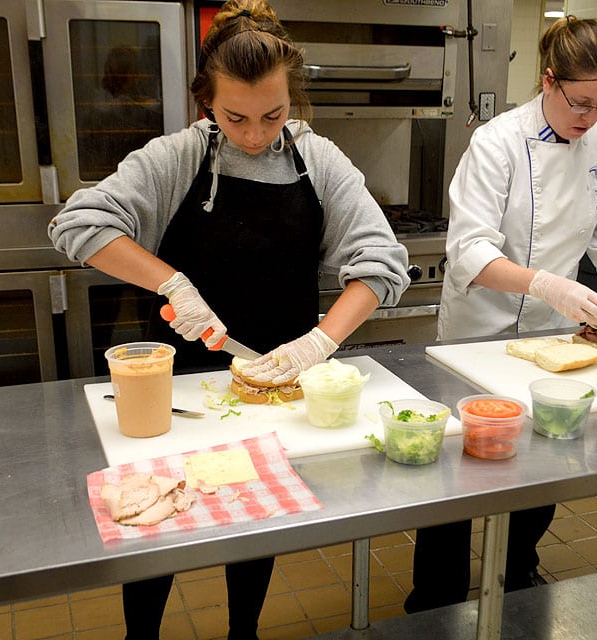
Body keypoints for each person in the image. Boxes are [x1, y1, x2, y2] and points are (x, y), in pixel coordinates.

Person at [49, 1, 409, 638]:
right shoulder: (177, 157)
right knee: (154, 522)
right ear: (204, 103)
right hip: (170, 391)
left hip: (270, 386)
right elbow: (78, 225)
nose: (254, 134)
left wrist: (320, 342)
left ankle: (243, 629)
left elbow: (382, 261)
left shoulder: (318, 161)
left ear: (291, 99)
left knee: (252, 521)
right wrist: (172, 282)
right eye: (234, 116)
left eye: (273, 115)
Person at [404, 16, 597, 613]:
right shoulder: (495, 142)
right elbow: (469, 249)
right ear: (548, 80)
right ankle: (436, 593)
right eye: (580, 101)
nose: (590, 116)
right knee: (456, 464)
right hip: (477, 332)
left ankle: (518, 570)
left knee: (545, 456)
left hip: (553, 338)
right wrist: (547, 283)